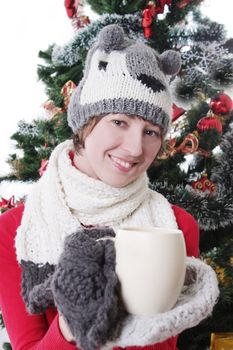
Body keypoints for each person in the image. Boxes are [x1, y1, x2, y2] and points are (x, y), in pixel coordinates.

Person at [0, 25, 218, 350]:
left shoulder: (176, 228)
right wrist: (71, 323)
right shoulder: (14, 231)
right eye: (119, 122)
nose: (134, 149)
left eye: (151, 132)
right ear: (85, 122)